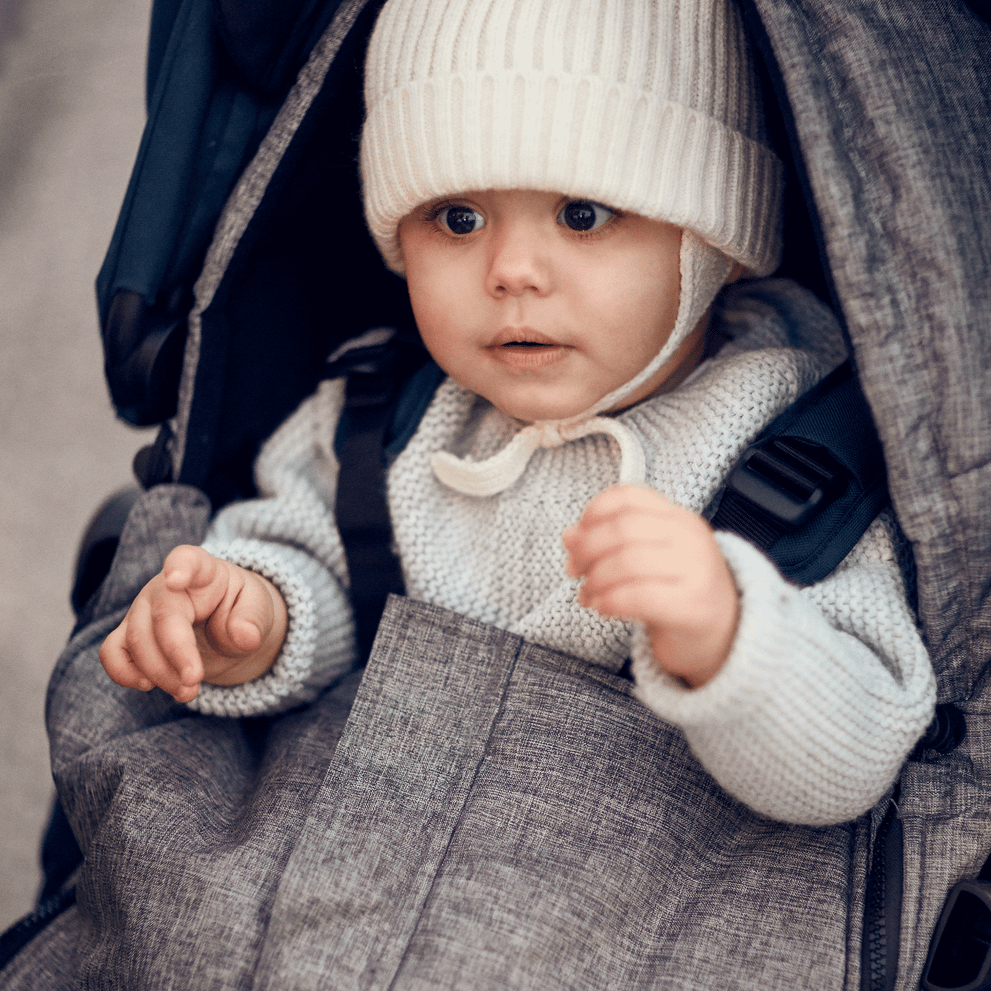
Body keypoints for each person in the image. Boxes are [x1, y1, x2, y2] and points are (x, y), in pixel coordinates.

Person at [98, 0, 935, 826]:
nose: (511, 270)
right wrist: (255, 621)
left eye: (582, 214)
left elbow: (858, 757)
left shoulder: (804, 450)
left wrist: (728, 632)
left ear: (714, 238)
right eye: (457, 219)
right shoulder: (382, 415)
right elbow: (320, 566)